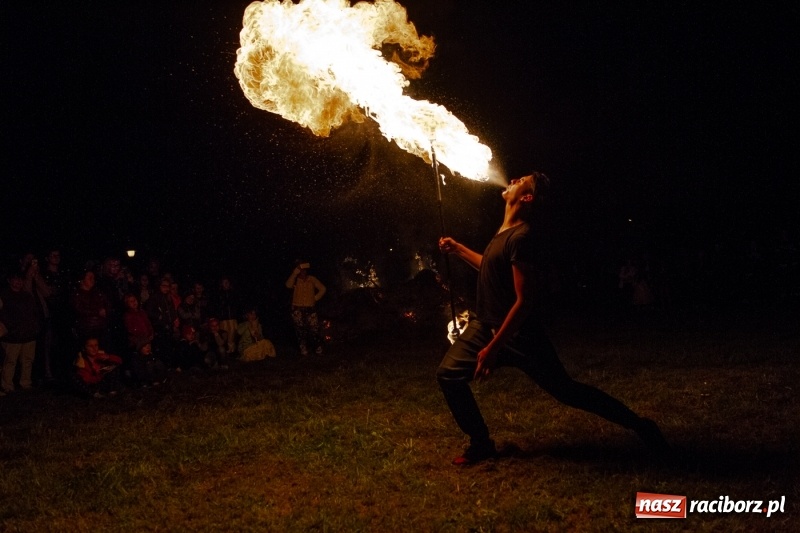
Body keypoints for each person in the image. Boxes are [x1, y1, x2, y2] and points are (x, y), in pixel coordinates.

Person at [436, 172, 669, 466]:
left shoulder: (522, 236)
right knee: (447, 375)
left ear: (527, 197)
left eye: (522, 180)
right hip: (485, 325)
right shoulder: (505, 231)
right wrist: (458, 250)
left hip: (518, 333)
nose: (513, 180)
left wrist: (495, 346)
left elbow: (524, 300)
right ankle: (481, 443)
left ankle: (641, 425)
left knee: (566, 391)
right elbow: (490, 268)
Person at [1, 270, 41, 394]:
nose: (18, 282)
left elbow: (34, 313)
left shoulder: (27, 296)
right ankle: (7, 385)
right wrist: (11, 328)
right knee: (10, 361)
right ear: (9, 280)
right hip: (12, 336)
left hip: (28, 334)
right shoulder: (4, 296)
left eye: (20, 279)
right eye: (15, 279)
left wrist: (34, 327)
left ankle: (25, 383)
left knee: (27, 360)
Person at [285, 261, 326, 355]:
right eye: (300, 270)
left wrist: (315, 298)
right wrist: (294, 273)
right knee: (300, 330)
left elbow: (323, 289)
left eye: (304, 270)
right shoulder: (295, 280)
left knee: (314, 328)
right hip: (297, 308)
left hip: (310, 308)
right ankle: (303, 349)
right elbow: (288, 285)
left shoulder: (312, 279)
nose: (302, 272)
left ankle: (318, 348)